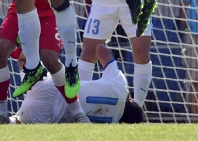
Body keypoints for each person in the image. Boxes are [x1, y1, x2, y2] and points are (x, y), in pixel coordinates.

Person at [0, 0, 89, 124]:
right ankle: (0, 115)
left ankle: (78, 113)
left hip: (51, 11)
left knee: (50, 59)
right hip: (21, 9)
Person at [15, 44, 146, 124]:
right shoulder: (110, 125)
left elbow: (100, 49)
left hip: (54, 87)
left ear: (130, 99)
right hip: (46, 118)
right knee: (18, 121)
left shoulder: (120, 86)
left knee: (22, 58)